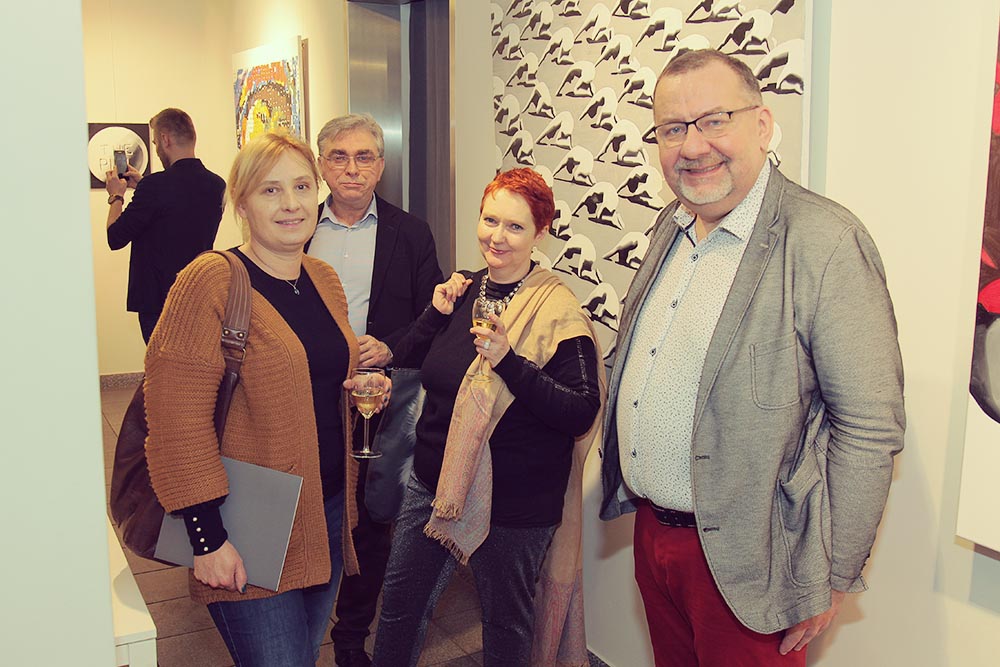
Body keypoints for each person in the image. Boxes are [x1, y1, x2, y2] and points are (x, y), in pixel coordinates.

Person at [598, 49, 905, 666]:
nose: (693, 146)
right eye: (673, 129)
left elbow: (869, 427)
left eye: (715, 120)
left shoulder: (825, 241)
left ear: (762, 125)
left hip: (752, 564)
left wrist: (833, 576)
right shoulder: (670, 226)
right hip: (654, 536)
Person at [143, 130, 388, 666]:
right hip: (247, 519)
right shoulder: (209, 281)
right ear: (241, 203)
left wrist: (358, 387)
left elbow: (309, 379)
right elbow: (175, 422)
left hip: (324, 509)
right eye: (270, 190)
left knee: (303, 654)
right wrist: (207, 539)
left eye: (301, 186)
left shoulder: (323, 278)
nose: (291, 203)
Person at [371, 168, 605, 667]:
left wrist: (510, 363)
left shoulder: (556, 309)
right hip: (434, 485)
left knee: (505, 627)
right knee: (399, 610)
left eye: (515, 227)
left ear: (541, 233)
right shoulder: (462, 290)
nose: (497, 237)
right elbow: (410, 359)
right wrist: (434, 314)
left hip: (516, 502)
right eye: (490, 220)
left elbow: (581, 410)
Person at [307, 113, 442, 667]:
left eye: (364, 157)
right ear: (322, 165)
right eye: (339, 157)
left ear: (381, 166)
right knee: (313, 508)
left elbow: (432, 318)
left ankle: (350, 636)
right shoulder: (296, 228)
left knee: (370, 518)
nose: (352, 169)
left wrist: (390, 348)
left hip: (377, 400)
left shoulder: (410, 233)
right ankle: (301, 619)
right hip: (308, 398)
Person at [105, 107, 226, 343]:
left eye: (155, 142)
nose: (157, 148)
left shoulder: (155, 186)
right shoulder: (217, 185)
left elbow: (115, 237)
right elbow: (177, 213)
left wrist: (116, 196)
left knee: (161, 363)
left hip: (158, 302)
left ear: (165, 139)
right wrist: (144, 186)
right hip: (198, 294)